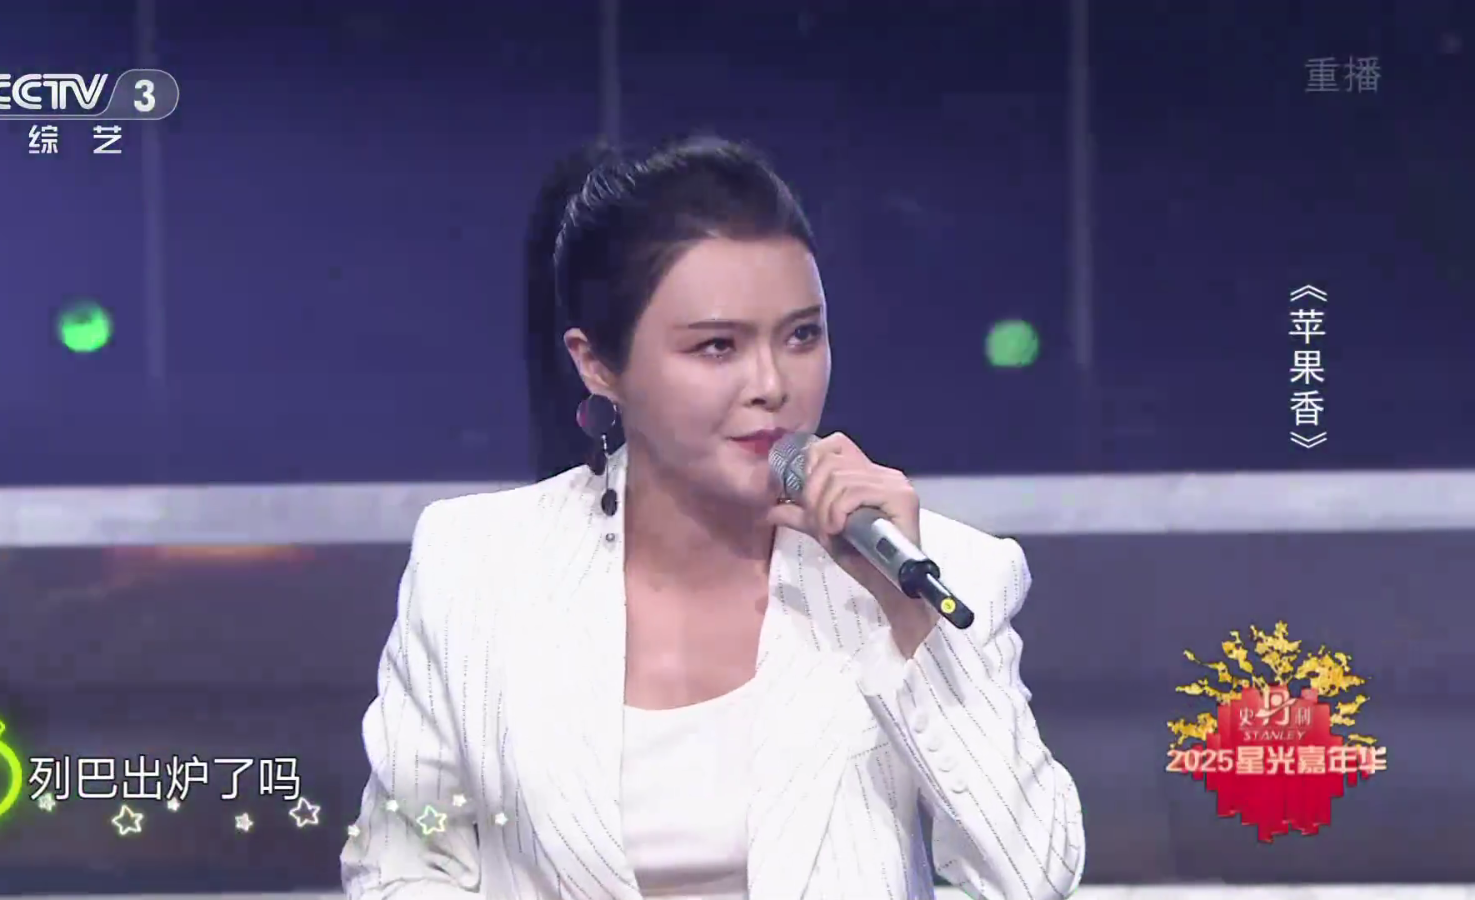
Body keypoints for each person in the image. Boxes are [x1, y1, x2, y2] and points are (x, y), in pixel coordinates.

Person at [341, 136, 1085, 900]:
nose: (772, 383)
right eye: (718, 346)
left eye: (802, 335)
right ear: (597, 363)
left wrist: (907, 621)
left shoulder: (930, 569)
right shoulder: (477, 568)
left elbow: (1028, 880)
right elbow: (403, 864)